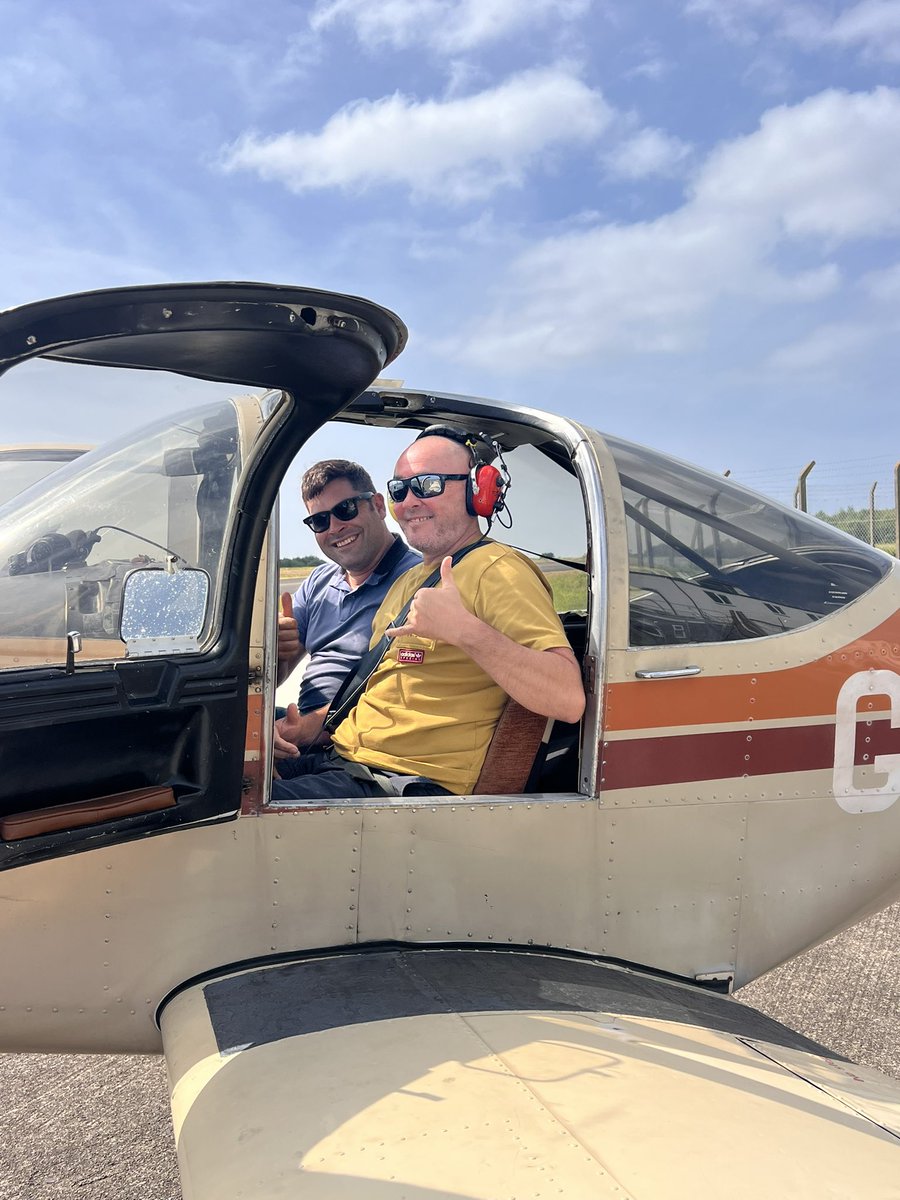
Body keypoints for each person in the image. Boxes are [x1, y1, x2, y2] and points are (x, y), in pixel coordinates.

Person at [271, 428, 585, 801]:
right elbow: (377, 691)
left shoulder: (497, 569)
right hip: (342, 758)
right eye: (400, 490)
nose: (409, 502)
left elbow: (567, 699)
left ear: (477, 490)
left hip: (398, 781)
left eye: (428, 485)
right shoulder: (410, 581)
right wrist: (307, 729)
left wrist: (465, 631)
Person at [274, 459, 420, 761]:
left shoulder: (418, 580)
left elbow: (400, 696)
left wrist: (306, 730)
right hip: (305, 728)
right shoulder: (318, 581)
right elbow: (273, 678)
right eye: (320, 521)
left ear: (378, 505)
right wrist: (278, 650)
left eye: (346, 509)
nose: (335, 528)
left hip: (354, 745)